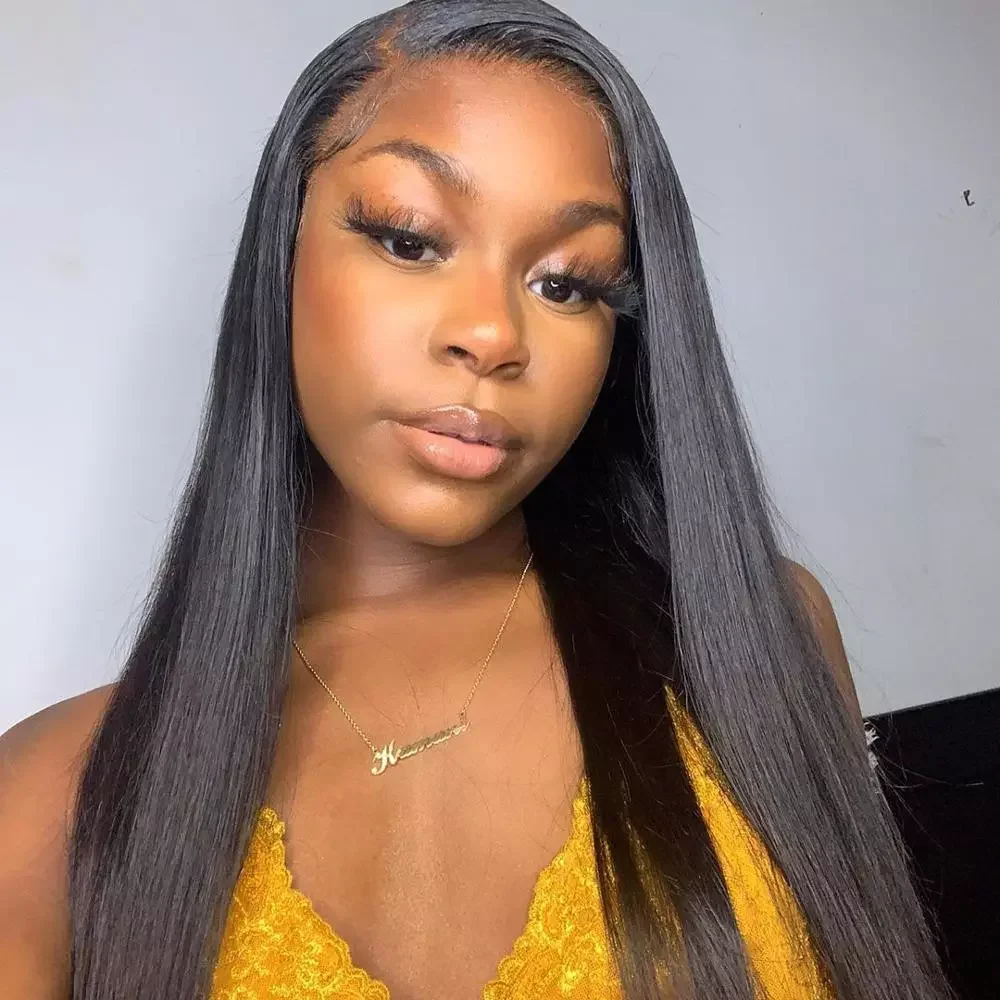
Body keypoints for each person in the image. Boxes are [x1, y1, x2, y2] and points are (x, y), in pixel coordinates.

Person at [0, 2, 953, 998]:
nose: (493, 335)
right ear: (282, 252)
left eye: (567, 283)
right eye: (409, 239)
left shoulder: (751, 643)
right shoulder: (43, 805)